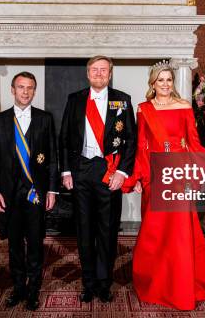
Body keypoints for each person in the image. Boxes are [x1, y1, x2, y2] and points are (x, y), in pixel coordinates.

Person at [121, 61, 205, 310]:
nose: (166, 84)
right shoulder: (144, 109)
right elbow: (141, 147)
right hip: (156, 175)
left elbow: (193, 142)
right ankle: (156, 282)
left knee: (180, 232)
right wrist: (138, 176)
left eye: (169, 79)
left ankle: (182, 284)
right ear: (153, 83)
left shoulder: (184, 106)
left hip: (179, 175)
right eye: (161, 80)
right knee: (155, 232)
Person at [59, 56, 136, 303]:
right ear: (87, 73)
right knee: (83, 230)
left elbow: (131, 140)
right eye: (95, 69)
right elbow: (64, 138)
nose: (99, 73)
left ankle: (104, 283)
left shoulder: (122, 100)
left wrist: (123, 173)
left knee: (107, 230)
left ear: (110, 74)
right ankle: (88, 282)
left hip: (109, 172)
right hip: (81, 170)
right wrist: (66, 171)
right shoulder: (75, 99)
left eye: (104, 70)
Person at [0, 72, 58, 311]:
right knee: (14, 245)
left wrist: (52, 190)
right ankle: (18, 288)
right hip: (8, 195)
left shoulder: (45, 119)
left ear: (34, 91)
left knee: (36, 244)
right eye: (21, 87)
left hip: (35, 193)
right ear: (12, 90)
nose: (25, 92)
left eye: (30, 88)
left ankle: (33, 291)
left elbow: (52, 159)